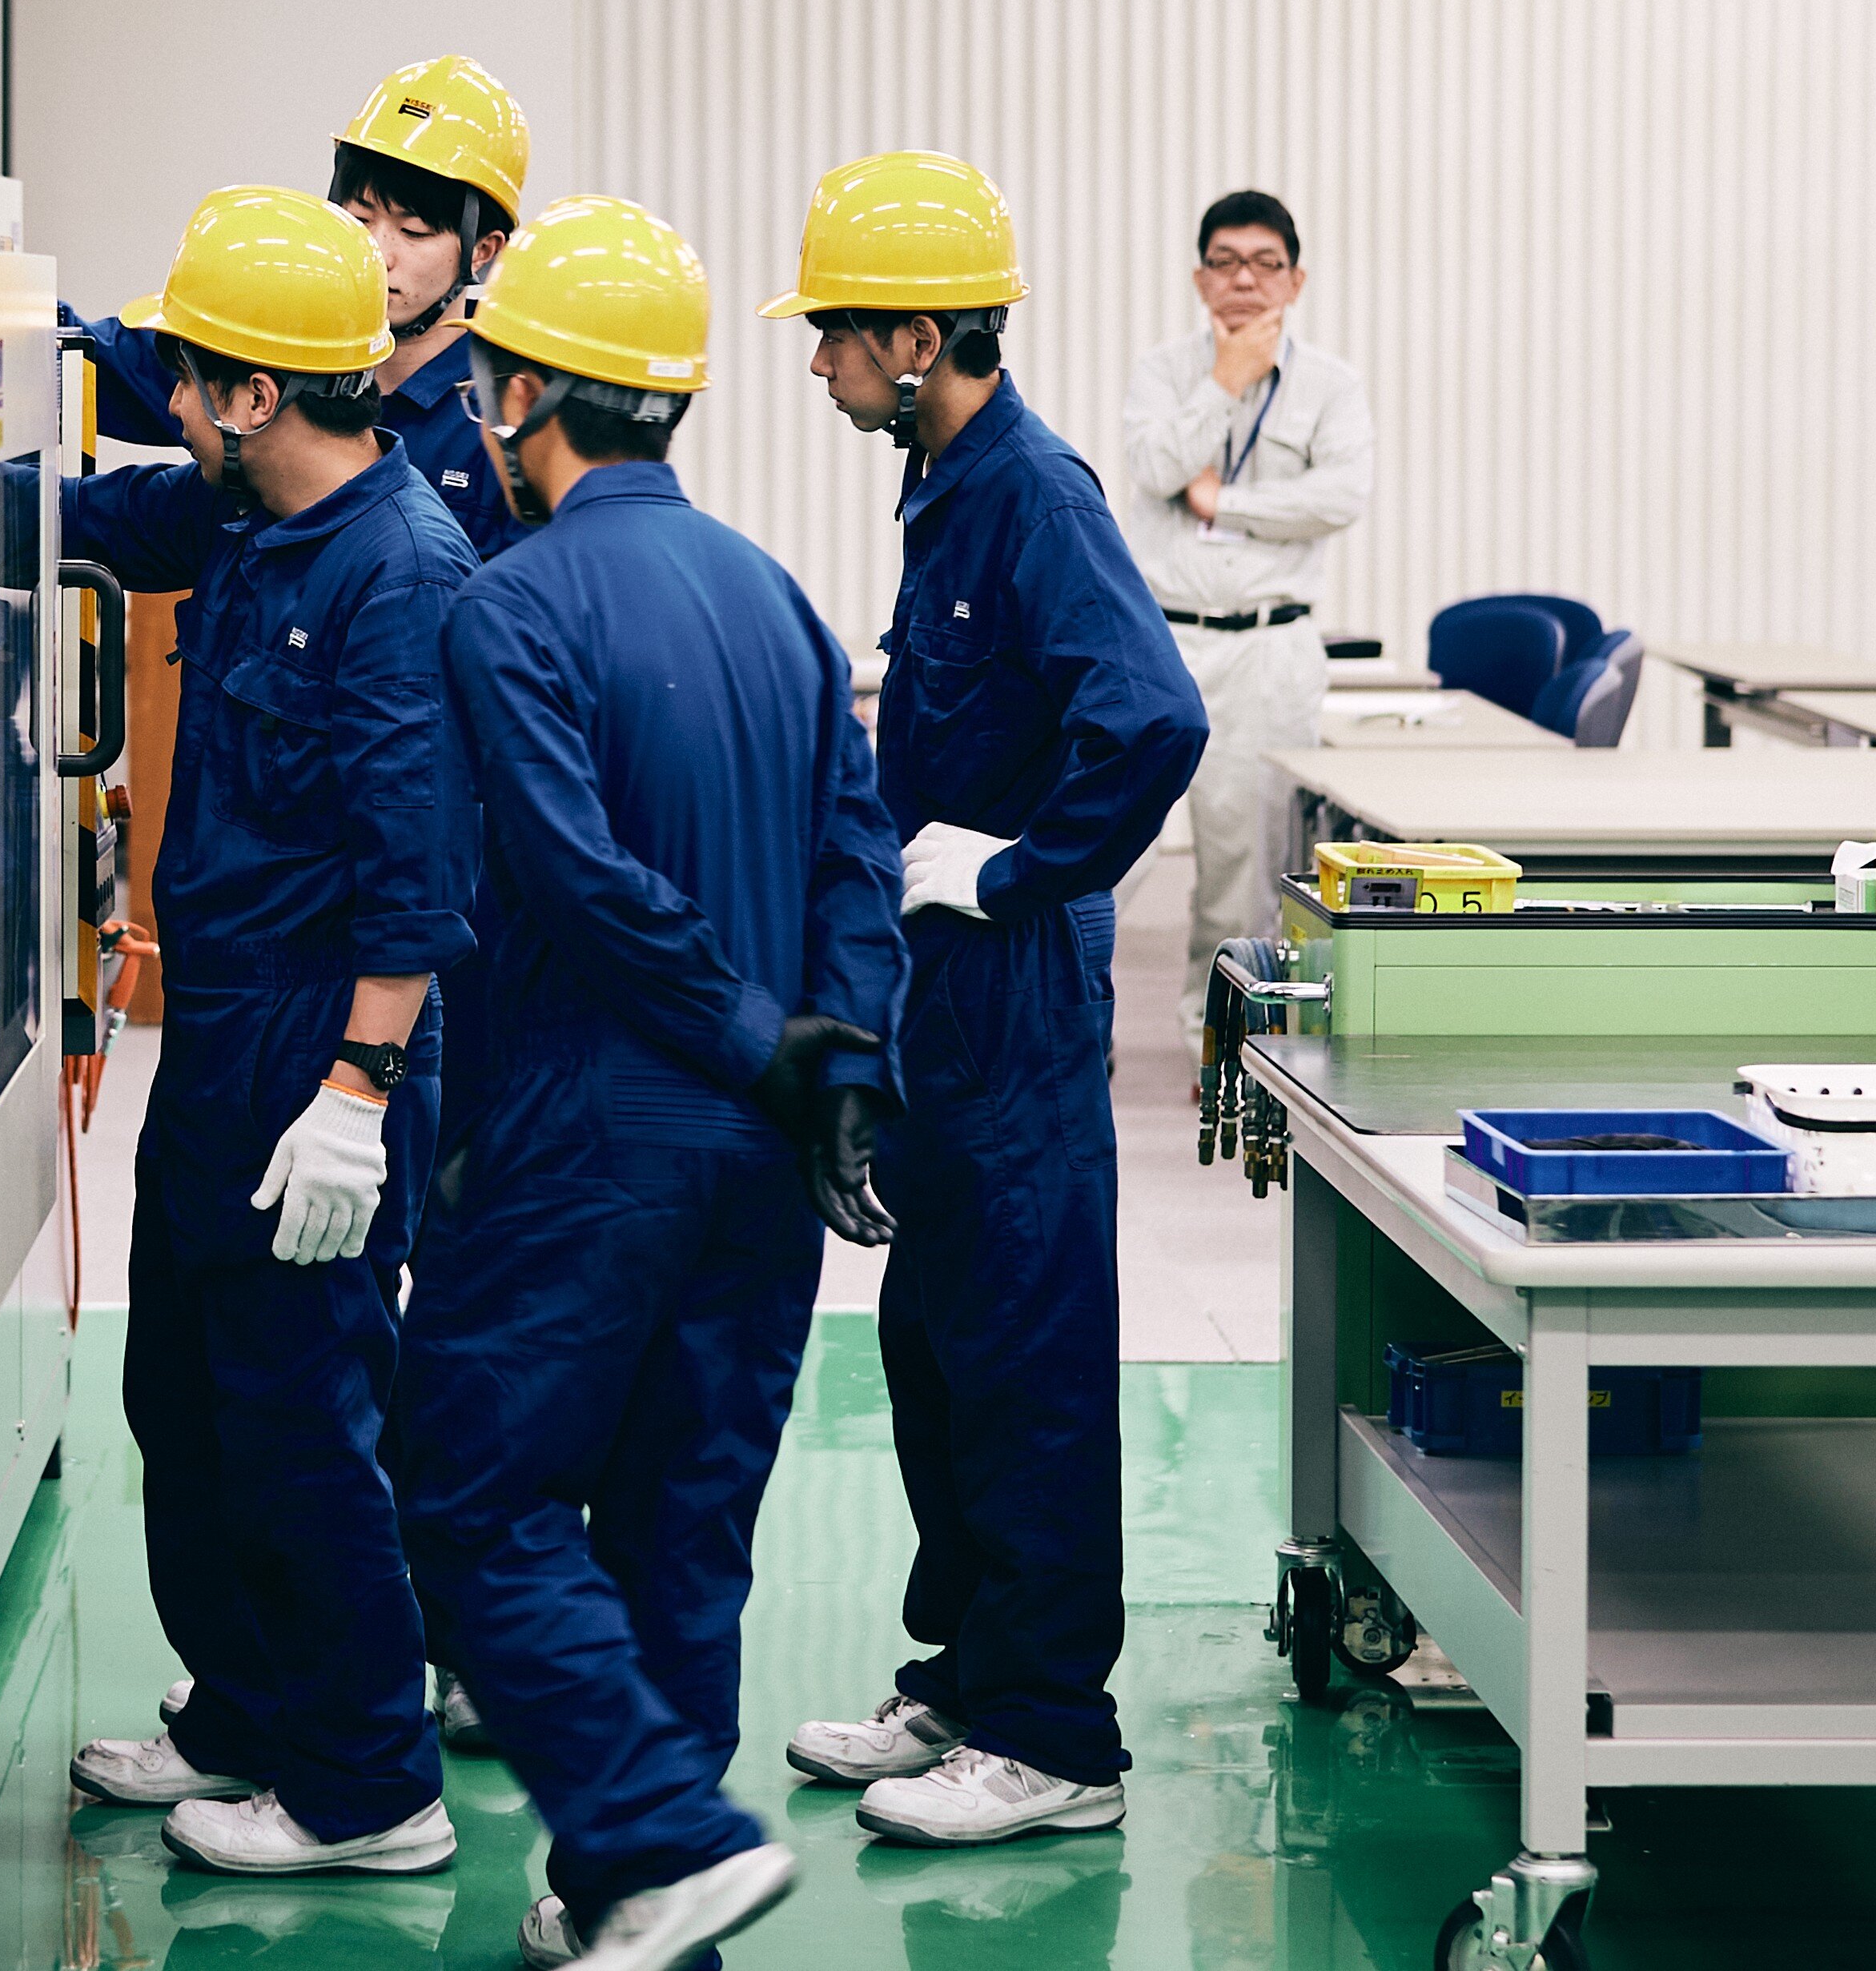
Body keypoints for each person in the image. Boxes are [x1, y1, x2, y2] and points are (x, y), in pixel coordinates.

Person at [387, 196, 905, 1971]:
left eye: (490, 381)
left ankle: (656, 1833)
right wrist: (838, 1058)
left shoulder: (507, 606)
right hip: (765, 1158)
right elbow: (856, 853)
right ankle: (637, 1903)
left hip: (588, 1136)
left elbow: (579, 881)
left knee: (470, 1491)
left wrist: (762, 1040)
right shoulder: (777, 599)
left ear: (525, 392)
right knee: (685, 1526)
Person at [758, 151, 1203, 1849]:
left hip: (1010, 982)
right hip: (945, 985)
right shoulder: (944, 483)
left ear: (922, 339)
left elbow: (1151, 718)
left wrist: (1022, 867)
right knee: (934, 1337)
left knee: (1020, 1347)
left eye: (838, 334)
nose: (819, 361)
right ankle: (964, 1675)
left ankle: (1052, 1735)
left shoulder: (1032, 493)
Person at [58, 186, 476, 1881]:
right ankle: (244, 1704)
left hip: (319, 1050)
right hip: (221, 1036)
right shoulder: (244, 511)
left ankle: (372, 1785)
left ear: (253, 394)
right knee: (187, 1392)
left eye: (188, 377)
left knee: (304, 1419)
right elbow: (74, 505)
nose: (166, 401)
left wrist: (356, 1094)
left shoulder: (399, 572)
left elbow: (419, 873)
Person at [70, 56, 534, 560]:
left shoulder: (506, 416)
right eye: (359, 218)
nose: (377, 253)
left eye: (413, 232)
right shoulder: (276, 339)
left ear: (483, 250)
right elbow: (79, 364)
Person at [1113, 190, 1372, 1019]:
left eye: (1265, 264)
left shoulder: (1330, 384)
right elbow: (1155, 468)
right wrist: (1225, 383)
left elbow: (1340, 495)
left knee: (1242, 866)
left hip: (1267, 648)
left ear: (1295, 280)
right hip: (1162, 642)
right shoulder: (1164, 372)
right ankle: (1076, 1023)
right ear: (1200, 279)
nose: (1245, 281)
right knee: (1113, 844)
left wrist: (1223, 502)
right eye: (1225, 263)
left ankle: (1212, 1034)